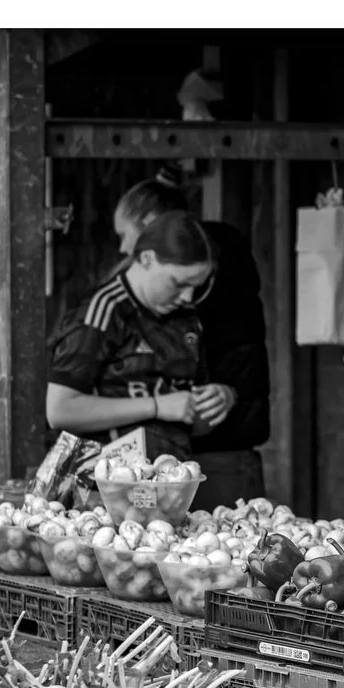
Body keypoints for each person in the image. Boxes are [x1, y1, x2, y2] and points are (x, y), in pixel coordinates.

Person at [111, 175, 271, 508]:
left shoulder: (191, 285)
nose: (124, 249)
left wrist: (228, 393)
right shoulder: (117, 300)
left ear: (153, 225)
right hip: (207, 452)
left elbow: (237, 352)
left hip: (196, 455)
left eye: (125, 235)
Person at [46, 211, 218, 462]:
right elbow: (60, 410)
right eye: (179, 284)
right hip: (103, 485)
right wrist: (157, 406)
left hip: (170, 479)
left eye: (197, 286)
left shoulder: (187, 317)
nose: (187, 297)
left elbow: (190, 412)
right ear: (147, 259)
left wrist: (219, 399)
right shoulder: (103, 310)